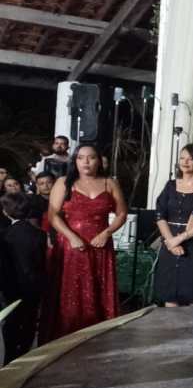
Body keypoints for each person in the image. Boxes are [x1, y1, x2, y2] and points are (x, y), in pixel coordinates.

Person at [44, 143, 126, 341]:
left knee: (98, 293)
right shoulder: (64, 182)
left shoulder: (110, 183)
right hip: (71, 247)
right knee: (71, 294)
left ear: (99, 161)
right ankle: (66, 339)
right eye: (81, 158)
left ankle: (99, 341)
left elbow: (122, 213)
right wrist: (71, 237)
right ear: (75, 161)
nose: (86, 162)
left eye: (91, 157)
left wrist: (107, 233)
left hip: (100, 246)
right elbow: (53, 215)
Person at [154, 145, 193, 306]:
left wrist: (179, 239)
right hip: (169, 245)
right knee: (170, 297)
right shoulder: (170, 186)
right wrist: (170, 241)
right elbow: (160, 215)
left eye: (190, 158)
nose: (185, 162)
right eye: (182, 158)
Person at [0, 193, 47, 364]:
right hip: (33, 286)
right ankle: (24, 356)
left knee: (11, 323)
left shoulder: (5, 235)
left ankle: (10, 359)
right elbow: (41, 262)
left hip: (10, 288)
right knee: (29, 321)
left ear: (6, 212)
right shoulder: (39, 234)